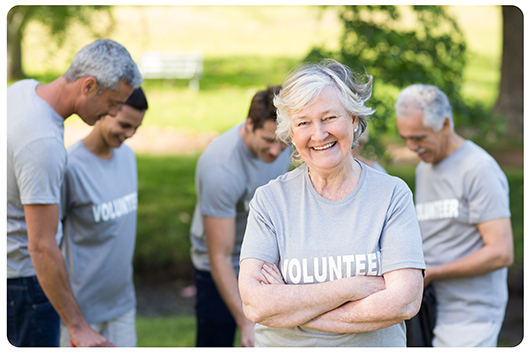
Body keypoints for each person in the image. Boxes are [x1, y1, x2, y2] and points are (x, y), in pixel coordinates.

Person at [238, 59, 425, 347]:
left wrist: (296, 311)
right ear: (291, 132)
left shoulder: (391, 195)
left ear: (353, 120)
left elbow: (405, 301)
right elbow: (255, 305)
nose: (319, 134)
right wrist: (351, 288)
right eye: (303, 123)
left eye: (329, 118)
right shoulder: (270, 201)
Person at [7, 39, 143, 347]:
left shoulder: (21, 91)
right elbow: (41, 246)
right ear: (89, 86)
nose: (114, 111)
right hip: (24, 285)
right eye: (113, 102)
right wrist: (78, 326)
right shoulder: (44, 144)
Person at [394, 84, 514, 347]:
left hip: (471, 314)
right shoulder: (424, 168)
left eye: (419, 137)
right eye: (406, 138)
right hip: (428, 307)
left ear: (445, 124)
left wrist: (434, 272)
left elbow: (502, 252)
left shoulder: (478, 169)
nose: (412, 147)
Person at [189, 86, 292, 347]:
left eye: (282, 141)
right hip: (221, 267)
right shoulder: (221, 168)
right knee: (218, 342)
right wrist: (246, 321)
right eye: (269, 141)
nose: (276, 151)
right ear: (249, 125)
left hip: (265, 261)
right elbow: (219, 256)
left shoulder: (283, 143)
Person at [58, 87, 148, 347]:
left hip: (122, 306)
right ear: (107, 111)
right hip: (80, 313)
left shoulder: (128, 157)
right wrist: (72, 317)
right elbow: (48, 243)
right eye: (124, 125)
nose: (129, 134)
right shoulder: (70, 167)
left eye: (136, 128)